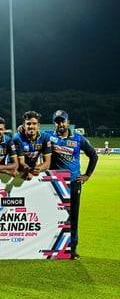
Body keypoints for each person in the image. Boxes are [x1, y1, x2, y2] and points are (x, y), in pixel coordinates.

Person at [48, 110, 98, 259]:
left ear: (68, 122)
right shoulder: (49, 137)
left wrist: (87, 175)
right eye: (57, 121)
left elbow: (93, 155)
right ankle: (51, 246)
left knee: (73, 216)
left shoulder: (78, 138)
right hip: (54, 183)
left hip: (73, 183)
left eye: (62, 121)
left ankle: (72, 248)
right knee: (53, 215)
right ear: (54, 123)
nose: (60, 124)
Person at [13, 111, 51, 180]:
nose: (31, 126)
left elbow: (47, 163)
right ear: (24, 125)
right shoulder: (17, 138)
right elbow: (21, 163)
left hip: (31, 170)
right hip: (16, 171)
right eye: (28, 124)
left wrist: (39, 168)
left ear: (38, 126)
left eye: (34, 123)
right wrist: (30, 171)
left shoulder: (45, 138)